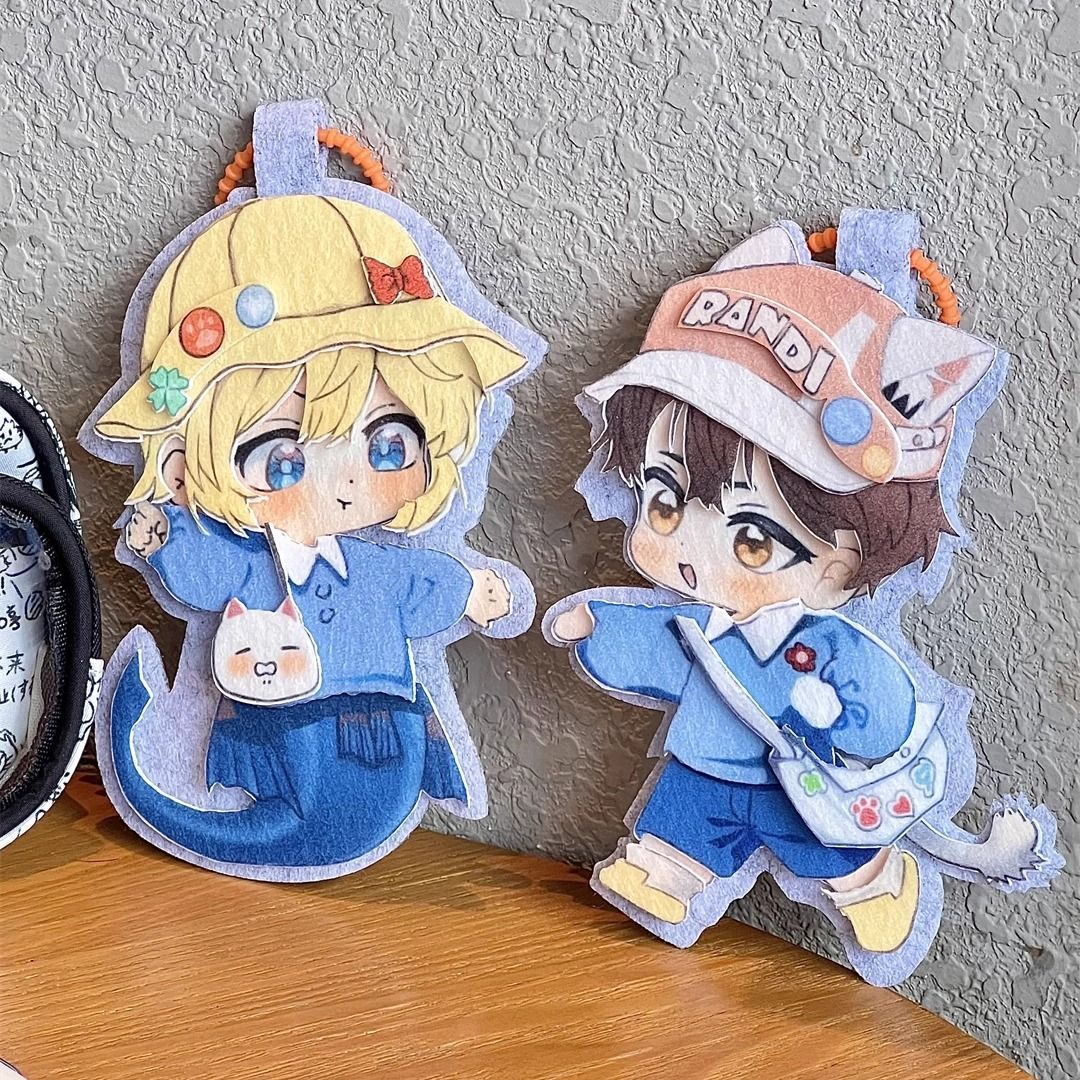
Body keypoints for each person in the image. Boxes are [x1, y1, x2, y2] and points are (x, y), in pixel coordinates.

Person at [95, 193, 529, 869]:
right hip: (285, 724)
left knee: (367, 796)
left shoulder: (382, 566)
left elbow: (424, 584)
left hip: (387, 729)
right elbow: (205, 573)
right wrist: (164, 534)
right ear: (184, 468)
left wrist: (469, 590)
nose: (344, 482)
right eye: (283, 458)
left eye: (387, 444)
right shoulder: (246, 563)